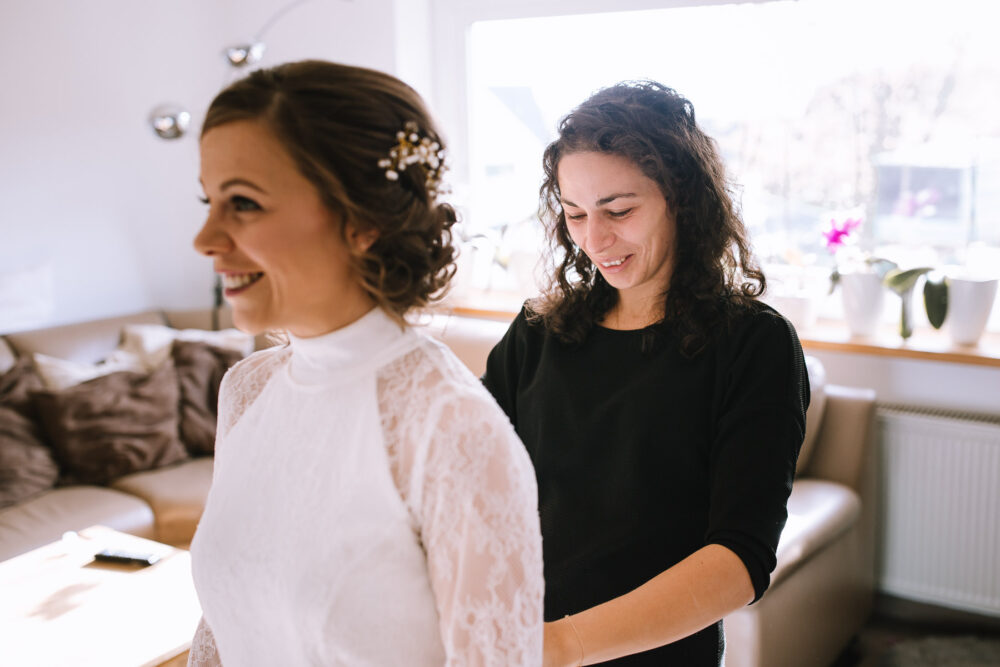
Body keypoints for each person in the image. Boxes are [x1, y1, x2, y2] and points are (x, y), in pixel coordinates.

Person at [187, 60, 543, 666]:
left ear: (363, 221)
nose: (205, 239)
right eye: (209, 201)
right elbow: (225, 626)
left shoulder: (450, 426)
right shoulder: (246, 391)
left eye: (243, 203)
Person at [482, 81, 809, 666]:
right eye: (575, 214)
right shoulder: (538, 333)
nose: (595, 239)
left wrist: (562, 645)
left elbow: (740, 560)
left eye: (619, 211)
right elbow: (470, 481)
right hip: (519, 642)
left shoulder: (753, 344)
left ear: (681, 197)